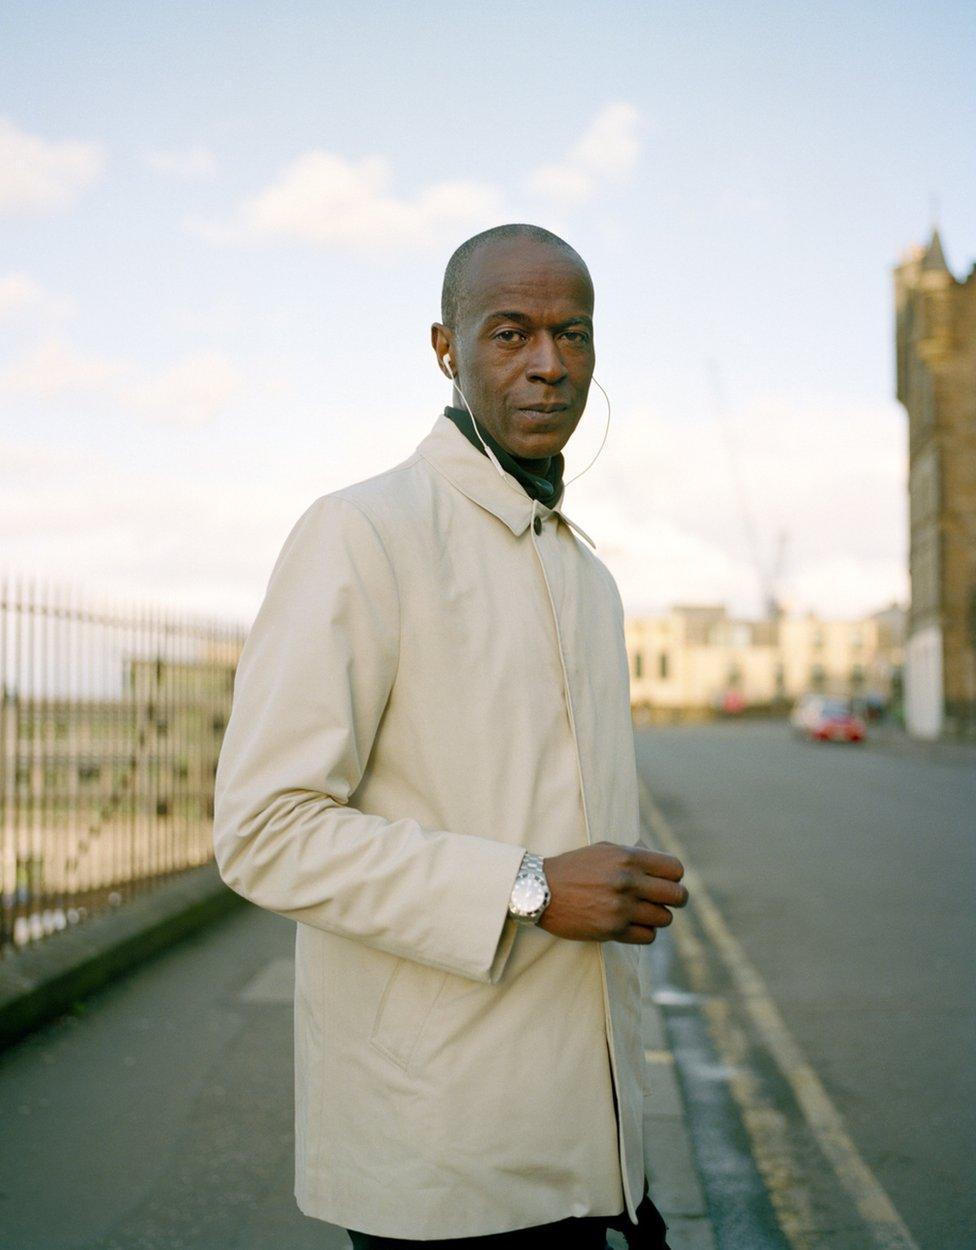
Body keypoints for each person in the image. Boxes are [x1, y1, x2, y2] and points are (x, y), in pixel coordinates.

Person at [211, 223, 688, 1248]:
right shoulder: (363, 532)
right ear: (446, 347)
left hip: (595, 1155)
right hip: (439, 1159)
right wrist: (529, 884)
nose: (548, 363)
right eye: (510, 332)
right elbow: (264, 829)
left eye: (572, 334)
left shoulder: (587, 576)